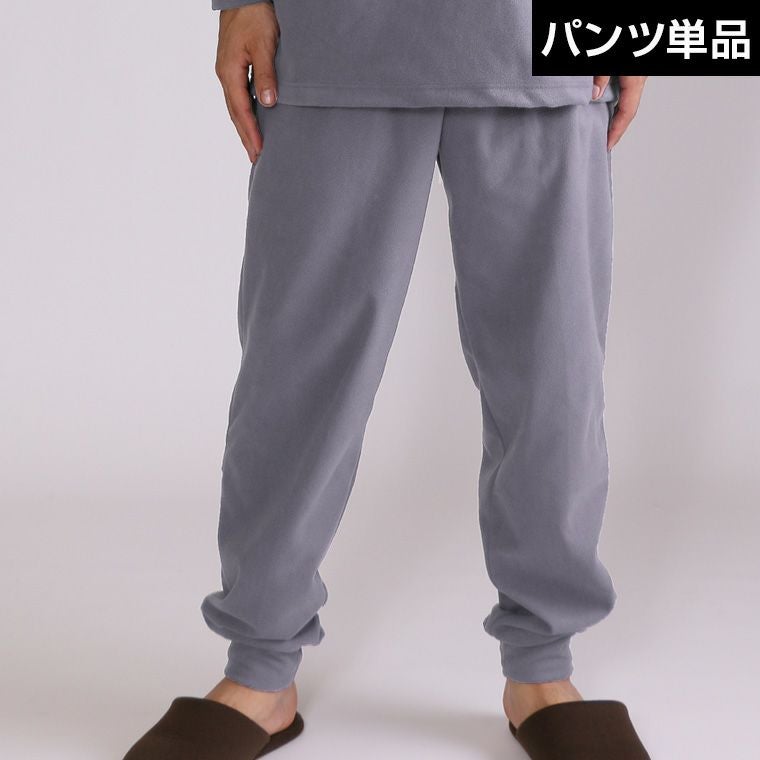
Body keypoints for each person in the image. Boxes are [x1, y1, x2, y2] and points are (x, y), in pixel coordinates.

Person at [123, 2, 651, 758]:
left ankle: (542, 668)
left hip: (543, 45)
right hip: (334, 37)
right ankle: (261, 668)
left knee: (554, 374)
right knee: (295, 375)